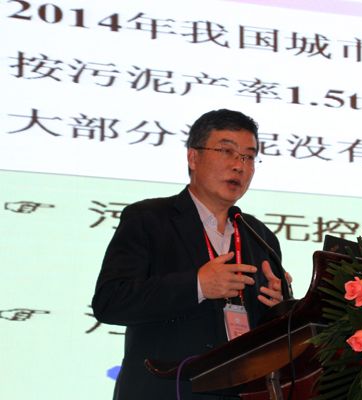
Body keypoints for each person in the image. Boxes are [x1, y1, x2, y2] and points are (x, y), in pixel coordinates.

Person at [92, 109, 289, 399]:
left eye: (249, 157)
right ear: (193, 157)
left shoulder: (260, 236)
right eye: (226, 151)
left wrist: (278, 308)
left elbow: (266, 339)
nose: (239, 165)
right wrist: (197, 285)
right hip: (165, 390)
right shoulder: (148, 219)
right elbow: (110, 302)